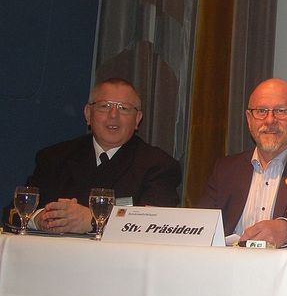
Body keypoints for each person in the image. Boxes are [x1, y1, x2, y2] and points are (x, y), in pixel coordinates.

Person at [4, 78, 181, 233]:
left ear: (137, 119)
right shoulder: (54, 157)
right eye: (104, 106)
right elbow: (13, 211)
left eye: (124, 109)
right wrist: (38, 218)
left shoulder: (159, 165)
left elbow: (154, 223)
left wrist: (93, 220)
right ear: (88, 114)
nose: (113, 115)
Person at [196, 78, 287, 247]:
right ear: (249, 119)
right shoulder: (226, 169)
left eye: (280, 111)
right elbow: (201, 225)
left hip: (285, 271)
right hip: (228, 268)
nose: (270, 120)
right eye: (261, 111)